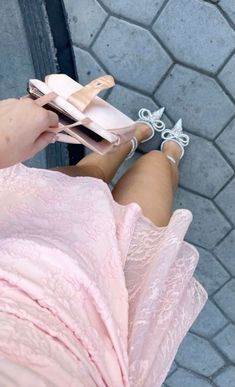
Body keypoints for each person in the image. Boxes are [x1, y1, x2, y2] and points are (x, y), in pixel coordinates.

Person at [0, 96, 207, 386]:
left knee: (88, 177)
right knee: (154, 169)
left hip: (22, 241)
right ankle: (166, 154)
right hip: (101, 329)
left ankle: (135, 136)